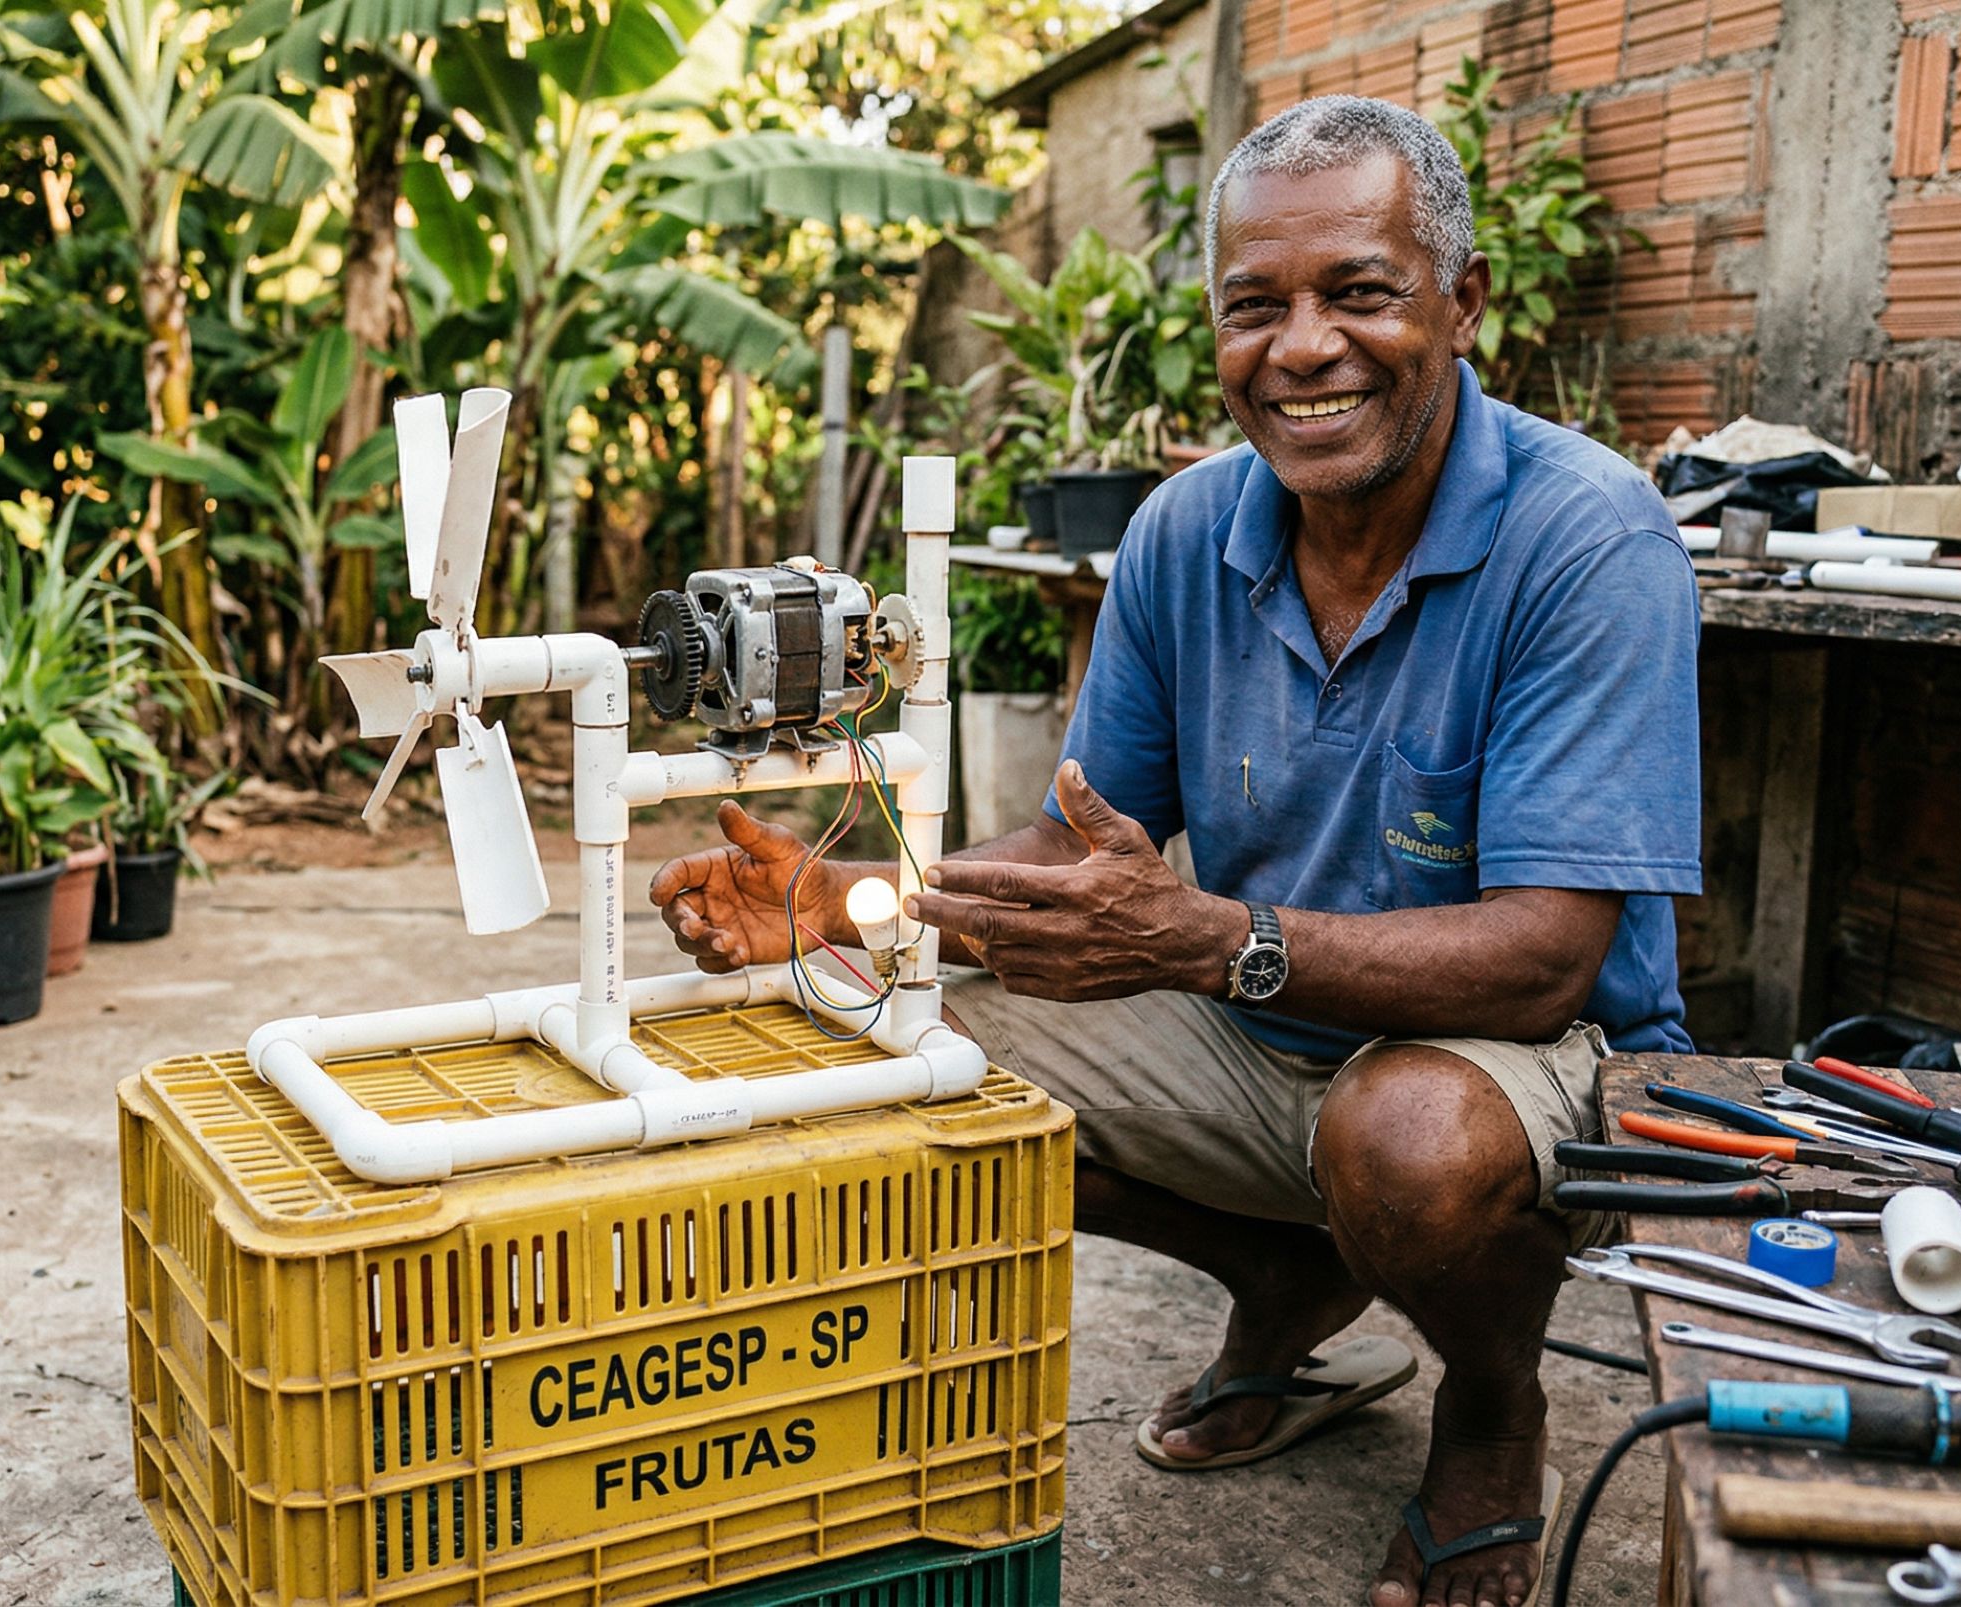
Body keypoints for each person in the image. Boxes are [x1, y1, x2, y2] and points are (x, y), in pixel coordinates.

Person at [649, 95, 1700, 1607]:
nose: (1302, 348)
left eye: (1359, 293)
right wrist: (846, 907)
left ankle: (1490, 1404)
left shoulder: (1588, 541)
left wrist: (1214, 940)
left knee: (1402, 1149)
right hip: (1254, 1023)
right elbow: (1076, 845)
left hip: (1515, 1053)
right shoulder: (1181, 532)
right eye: (1253, 306)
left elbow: (1548, 958)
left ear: (1461, 305)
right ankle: (1281, 1277)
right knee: (888, 1020)